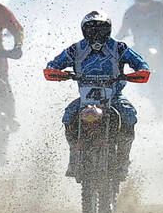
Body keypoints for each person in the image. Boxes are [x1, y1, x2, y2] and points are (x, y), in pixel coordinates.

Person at [45, 12, 150, 179]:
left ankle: (123, 161)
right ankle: (74, 155)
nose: (96, 34)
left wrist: (140, 71)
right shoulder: (76, 49)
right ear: (84, 31)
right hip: (86, 100)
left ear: (108, 30)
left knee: (129, 115)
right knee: (68, 116)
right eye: (91, 30)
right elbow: (53, 65)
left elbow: (141, 64)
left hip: (114, 98)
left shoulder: (118, 48)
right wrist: (58, 72)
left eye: (100, 30)